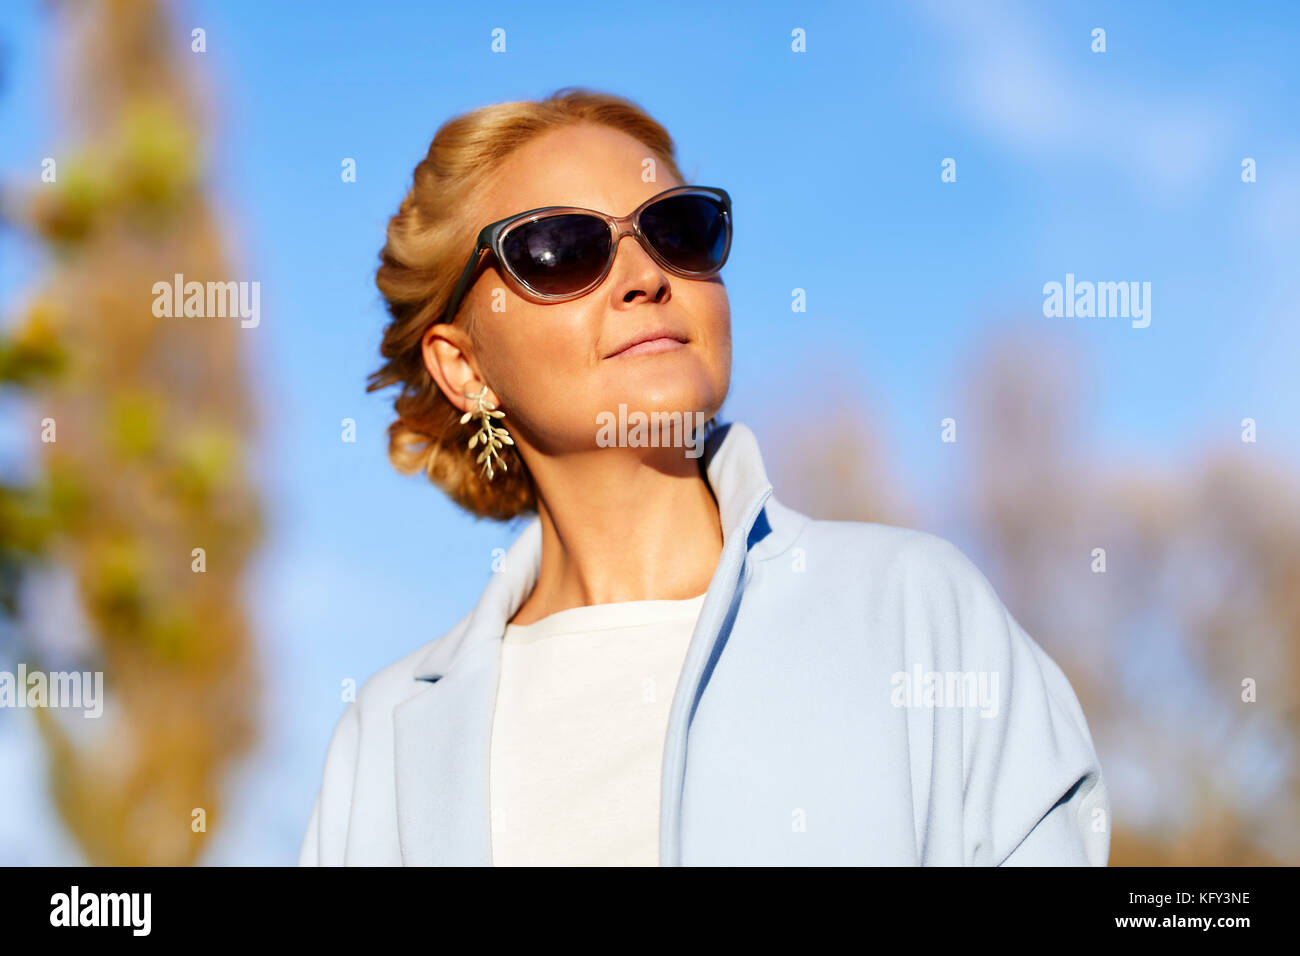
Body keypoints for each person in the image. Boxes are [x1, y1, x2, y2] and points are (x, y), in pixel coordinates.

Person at [298, 87, 1110, 867]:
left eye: (677, 230)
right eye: (562, 249)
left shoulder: (915, 613)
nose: (646, 275)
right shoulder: (386, 739)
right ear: (465, 366)